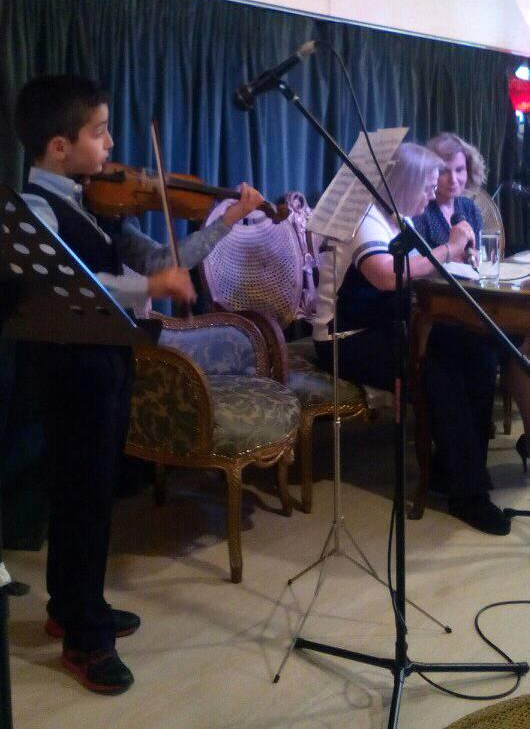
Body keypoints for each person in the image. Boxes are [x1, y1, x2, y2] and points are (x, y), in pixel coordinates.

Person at [13, 74, 265, 694]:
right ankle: (84, 638)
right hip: (68, 370)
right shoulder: (34, 208)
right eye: (99, 133)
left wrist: (231, 218)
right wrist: (152, 289)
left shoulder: (96, 204)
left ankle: (72, 606)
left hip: (106, 363)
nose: (111, 145)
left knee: (92, 494)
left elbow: (164, 261)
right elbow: (72, 281)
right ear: (59, 147)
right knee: (80, 496)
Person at [312, 142, 511, 536]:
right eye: (426, 187)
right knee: (437, 371)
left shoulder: (397, 215)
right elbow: (386, 275)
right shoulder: (365, 217)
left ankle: (450, 471)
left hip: (387, 324)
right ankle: (467, 495)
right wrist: (448, 248)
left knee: (478, 353)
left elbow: (419, 272)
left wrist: (457, 257)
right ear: (404, 183)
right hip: (347, 337)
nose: (429, 195)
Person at [415, 132, 530, 473]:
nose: (454, 179)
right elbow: (418, 271)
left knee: (524, 343)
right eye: (444, 171)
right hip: (439, 314)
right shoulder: (421, 210)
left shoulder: (468, 207)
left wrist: (475, 259)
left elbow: (477, 260)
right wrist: (453, 250)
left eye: (460, 170)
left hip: (475, 302)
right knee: (497, 348)